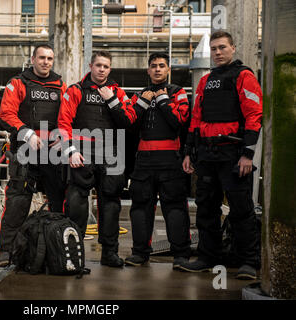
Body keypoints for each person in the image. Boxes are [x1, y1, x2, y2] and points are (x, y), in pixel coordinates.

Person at [180, 31, 262, 280]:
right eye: (214, 48)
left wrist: (248, 155)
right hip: (206, 155)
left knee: (241, 209)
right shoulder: (205, 81)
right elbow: (196, 118)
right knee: (205, 208)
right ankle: (207, 257)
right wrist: (189, 153)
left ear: (233, 48)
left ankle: (249, 261)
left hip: (233, 154)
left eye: (222, 47)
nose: (217, 52)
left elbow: (254, 115)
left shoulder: (244, 76)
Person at [57, 51, 136, 268]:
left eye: (106, 66)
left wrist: (111, 99)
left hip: (111, 152)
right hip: (81, 152)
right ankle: (73, 256)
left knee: (111, 204)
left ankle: (109, 254)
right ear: (90, 65)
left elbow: (130, 120)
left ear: (110, 69)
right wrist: (70, 150)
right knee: (76, 203)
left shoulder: (119, 92)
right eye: (98, 65)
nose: (102, 69)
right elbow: (63, 123)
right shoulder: (75, 90)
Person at [0, 44, 67, 267]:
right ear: (33, 59)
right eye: (42, 58)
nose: (46, 62)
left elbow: (68, 116)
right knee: (17, 202)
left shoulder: (61, 85)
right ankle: (6, 253)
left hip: (53, 153)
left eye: (50, 58)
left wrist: (65, 138)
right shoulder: (18, 82)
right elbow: (6, 114)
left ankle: (57, 252)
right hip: (25, 151)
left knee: (58, 204)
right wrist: (26, 133)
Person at [125, 53, 191, 269]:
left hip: (170, 160)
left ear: (168, 69)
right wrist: (143, 103)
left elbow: (179, 123)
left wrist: (162, 100)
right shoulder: (140, 95)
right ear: (148, 70)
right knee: (140, 208)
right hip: (143, 161)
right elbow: (129, 125)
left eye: (162, 66)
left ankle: (180, 254)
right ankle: (140, 253)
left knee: (175, 208)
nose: (157, 69)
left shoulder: (178, 93)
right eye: (153, 66)